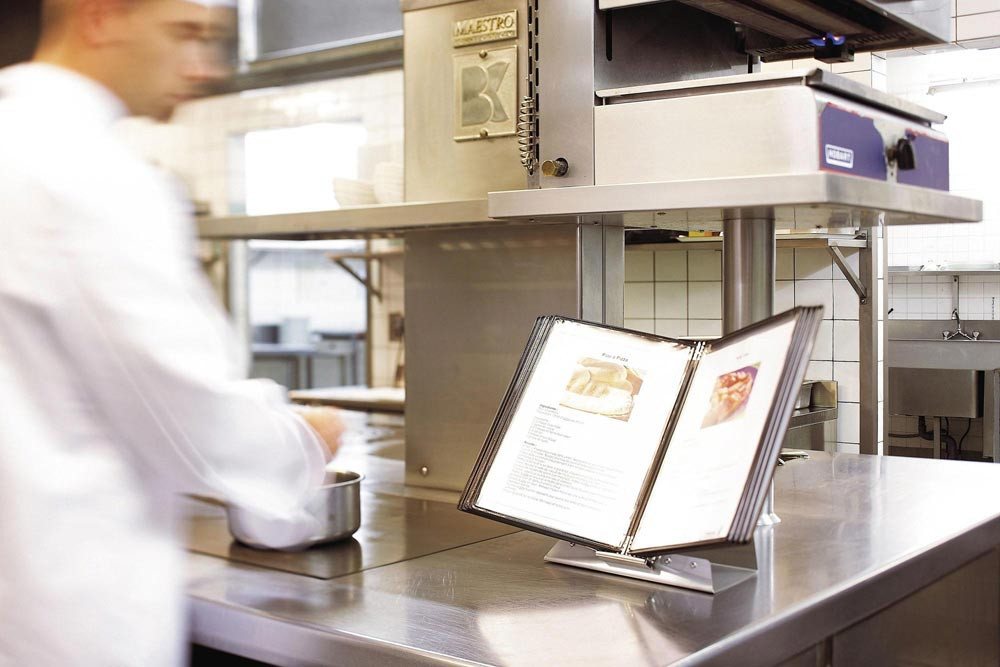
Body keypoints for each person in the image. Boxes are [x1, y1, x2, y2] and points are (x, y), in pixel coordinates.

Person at [0, 1, 346, 664]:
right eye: (184, 34)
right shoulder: (90, 175)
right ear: (101, 16)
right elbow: (188, 414)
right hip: (71, 621)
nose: (204, 67)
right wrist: (302, 440)